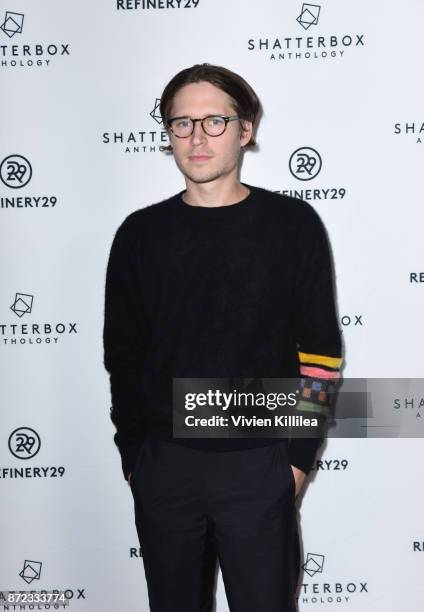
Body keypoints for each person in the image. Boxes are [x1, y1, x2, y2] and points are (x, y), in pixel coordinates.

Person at [103, 62, 343, 612]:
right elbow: (123, 356)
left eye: (215, 121)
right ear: (168, 134)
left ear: (245, 129)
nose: (197, 137)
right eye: (182, 123)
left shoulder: (292, 224)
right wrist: (135, 456)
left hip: (260, 463)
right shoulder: (139, 234)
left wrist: (298, 460)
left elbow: (322, 357)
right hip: (164, 468)